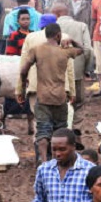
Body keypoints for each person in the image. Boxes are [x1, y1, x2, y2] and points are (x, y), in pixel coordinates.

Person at [19, 23, 84, 162]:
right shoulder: (64, 51)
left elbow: (23, 70)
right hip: (60, 97)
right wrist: (71, 40)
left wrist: (24, 82)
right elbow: (82, 50)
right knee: (60, 128)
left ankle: (43, 161)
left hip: (43, 96)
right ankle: (58, 159)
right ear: (58, 35)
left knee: (42, 129)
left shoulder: (36, 50)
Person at [54, 2, 93, 130]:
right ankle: (76, 130)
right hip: (77, 71)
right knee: (78, 103)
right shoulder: (81, 26)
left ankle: (62, 129)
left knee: (59, 103)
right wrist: (86, 69)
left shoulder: (51, 27)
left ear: (57, 14)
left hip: (56, 73)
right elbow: (88, 50)